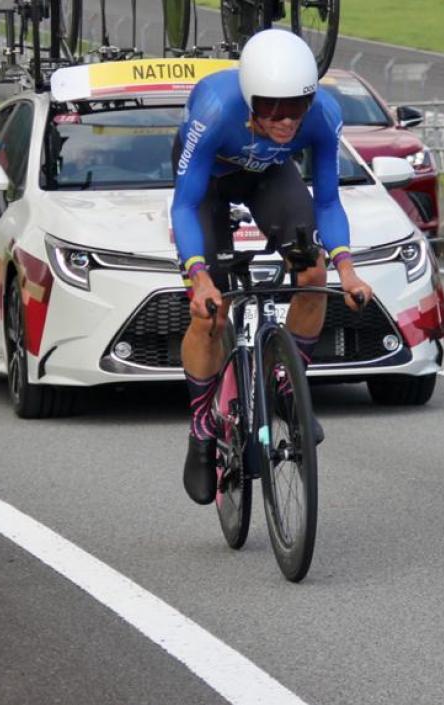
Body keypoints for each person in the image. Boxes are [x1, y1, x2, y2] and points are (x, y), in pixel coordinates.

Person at [170, 29, 372, 505]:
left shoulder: (323, 114)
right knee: (210, 312)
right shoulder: (216, 110)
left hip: (268, 176)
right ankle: (201, 426)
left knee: (313, 273)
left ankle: (285, 386)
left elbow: (327, 201)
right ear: (248, 99)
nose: (285, 121)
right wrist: (199, 277)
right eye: (270, 108)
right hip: (208, 185)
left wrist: (347, 269)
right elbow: (184, 205)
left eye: (295, 108)